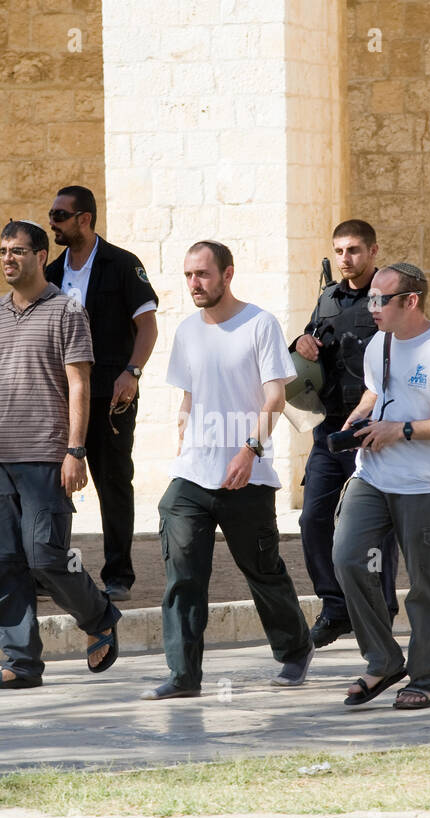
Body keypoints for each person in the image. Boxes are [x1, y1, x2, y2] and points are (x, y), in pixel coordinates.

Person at [144, 241, 314, 700]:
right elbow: (188, 398)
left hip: (248, 475)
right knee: (183, 575)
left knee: (261, 570)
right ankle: (183, 675)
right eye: (188, 276)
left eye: (202, 274)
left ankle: (296, 648)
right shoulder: (186, 332)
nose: (194, 284)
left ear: (227, 274)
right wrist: (183, 443)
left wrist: (248, 451)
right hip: (193, 477)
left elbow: (275, 397)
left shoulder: (259, 324)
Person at [0, 219, 121, 689]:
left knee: (45, 557)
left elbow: (79, 384)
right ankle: (21, 662)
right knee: (1, 561)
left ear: (40, 256)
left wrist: (75, 450)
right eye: (2, 251)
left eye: (17, 251)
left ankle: (99, 614)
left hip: (47, 457)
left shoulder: (67, 311)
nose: (8, 258)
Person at [333, 263, 430, 710]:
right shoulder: (379, 343)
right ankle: (383, 659)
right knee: (347, 557)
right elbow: (375, 393)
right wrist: (360, 416)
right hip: (373, 474)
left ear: (410, 301)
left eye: (381, 299)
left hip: (424, 482)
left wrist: (403, 430)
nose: (371, 307)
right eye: (370, 299)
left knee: (422, 582)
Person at [44, 186, 158, 602]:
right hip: (60, 396)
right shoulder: (51, 272)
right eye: (52, 214)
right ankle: (50, 570)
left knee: (113, 482)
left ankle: (118, 575)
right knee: (53, 483)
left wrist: (133, 372)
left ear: (85, 219)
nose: (52, 222)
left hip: (111, 395)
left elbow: (147, 326)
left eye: (60, 215)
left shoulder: (123, 265)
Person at [292, 220, 400, 648]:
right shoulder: (328, 298)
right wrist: (300, 341)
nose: (345, 259)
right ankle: (334, 606)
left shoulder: (388, 297)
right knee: (313, 517)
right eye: (339, 251)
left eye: (354, 250)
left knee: (377, 528)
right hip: (329, 430)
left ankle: (380, 609)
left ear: (373, 251)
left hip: (372, 431)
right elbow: (310, 344)